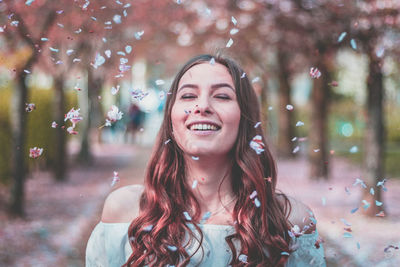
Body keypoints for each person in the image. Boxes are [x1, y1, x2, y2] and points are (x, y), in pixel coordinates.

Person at [86, 54, 326, 267]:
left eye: (222, 96)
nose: (202, 106)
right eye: (188, 96)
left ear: (245, 117)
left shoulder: (290, 220)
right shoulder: (126, 212)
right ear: (171, 117)